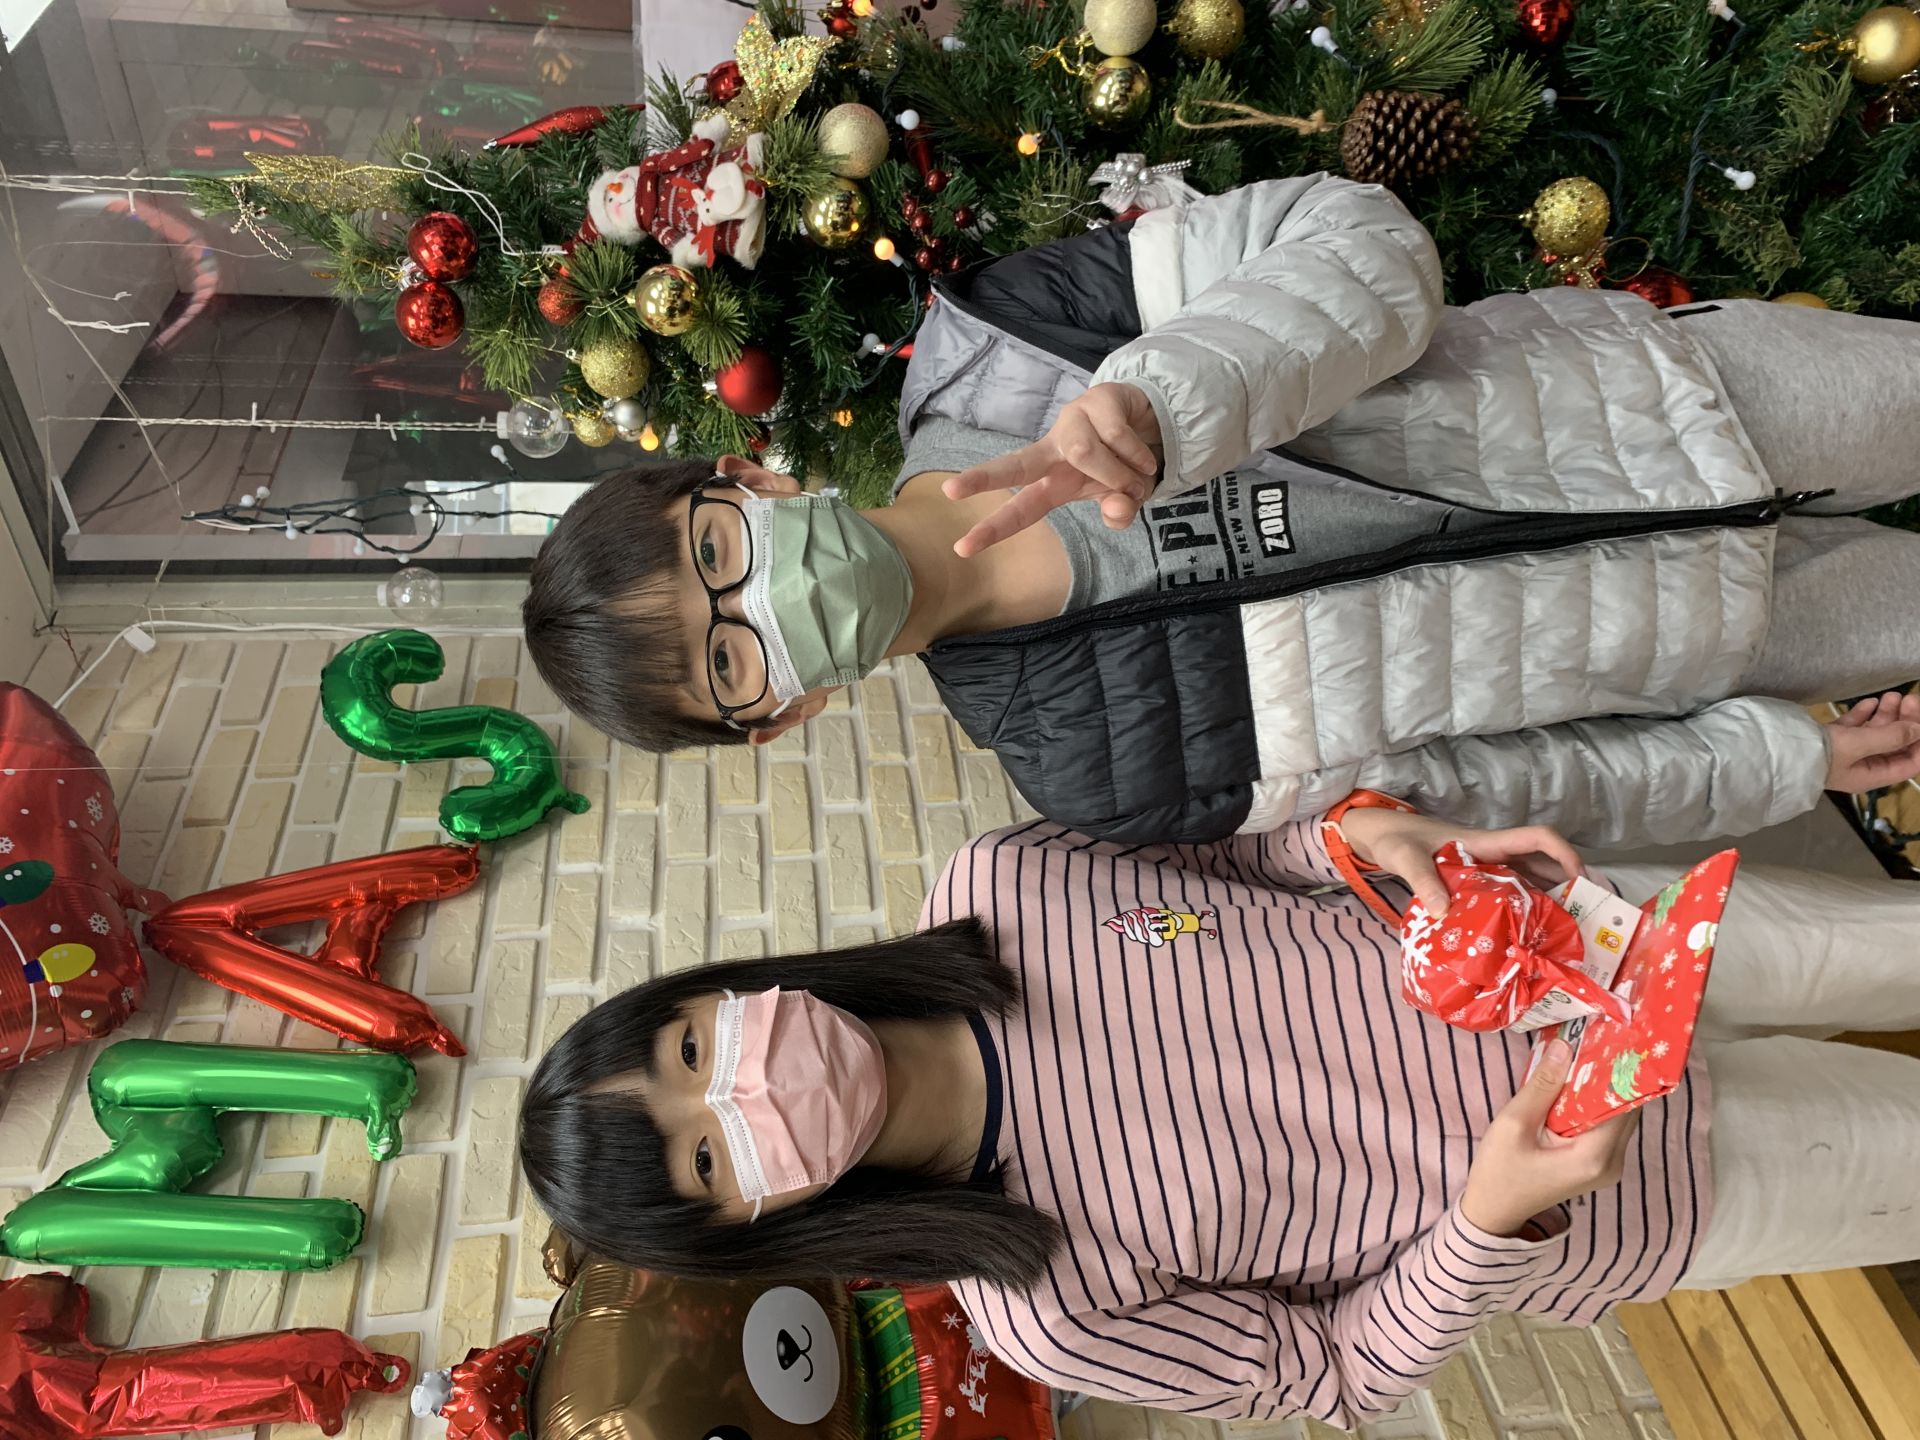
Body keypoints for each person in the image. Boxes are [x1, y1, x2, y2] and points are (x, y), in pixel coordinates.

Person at [522, 173, 1920, 848]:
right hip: (1722, 642)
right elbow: (1488, 786)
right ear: (777, 719)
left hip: (1674, 395)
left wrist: (1168, 397)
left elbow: (1367, 240)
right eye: (731, 659)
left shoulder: (998, 347)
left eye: (719, 554)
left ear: (749, 480)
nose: (769, 602)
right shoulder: (1091, 769)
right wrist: (1774, 761)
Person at [517, 803, 1920, 1427]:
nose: (747, 1084)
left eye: (692, 1045)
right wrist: (1488, 1223)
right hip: (1656, 1188)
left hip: (1604, 938)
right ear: (753, 1225)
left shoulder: (1000, 882)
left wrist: (1351, 837)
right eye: (709, 1152)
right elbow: (1340, 1373)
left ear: (718, 990)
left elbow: (1240, 859)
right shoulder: (1045, 1312)